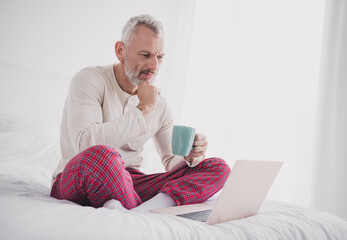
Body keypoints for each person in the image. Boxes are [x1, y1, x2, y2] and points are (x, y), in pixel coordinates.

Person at [50, 14, 230, 212]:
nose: (154, 66)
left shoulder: (159, 103)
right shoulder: (90, 79)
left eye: (160, 57)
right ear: (121, 51)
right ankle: (135, 210)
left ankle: (140, 211)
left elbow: (171, 161)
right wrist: (143, 108)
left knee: (218, 168)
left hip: (130, 182)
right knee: (102, 155)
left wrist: (189, 155)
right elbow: (84, 143)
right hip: (80, 178)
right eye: (145, 55)